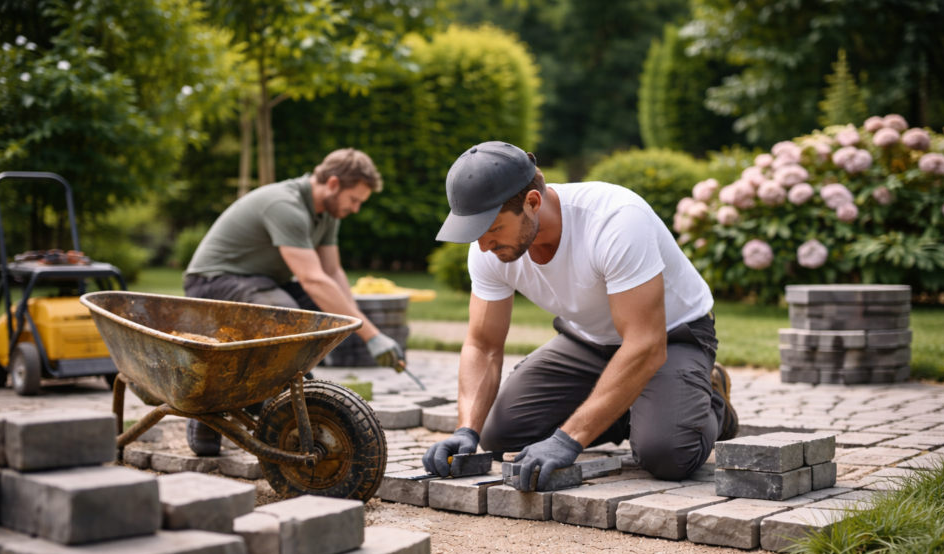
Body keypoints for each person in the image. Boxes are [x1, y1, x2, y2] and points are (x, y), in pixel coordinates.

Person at [421, 141, 738, 491]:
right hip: (585, 340)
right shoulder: (487, 248)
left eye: (493, 229)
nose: (483, 246)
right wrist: (466, 430)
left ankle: (710, 397)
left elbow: (645, 343)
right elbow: (483, 344)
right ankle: (635, 404)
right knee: (500, 435)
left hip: (671, 338)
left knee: (667, 454)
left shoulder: (615, 220)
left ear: (532, 203)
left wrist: (569, 439)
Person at [182, 148, 403, 454]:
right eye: (355, 200)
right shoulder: (285, 205)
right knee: (287, 318)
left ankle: (269, 400)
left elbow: (332, 272)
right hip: (213, 284)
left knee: (320, 315)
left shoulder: (327, 214)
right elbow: (311, 279)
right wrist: (371, 335)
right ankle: (225, 408)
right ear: (334, 184)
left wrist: (360, 324)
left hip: (261, 283)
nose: (355, 209)